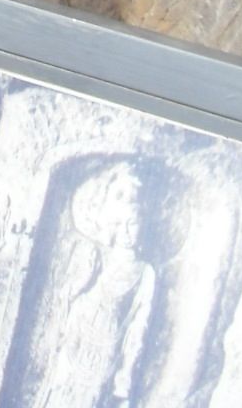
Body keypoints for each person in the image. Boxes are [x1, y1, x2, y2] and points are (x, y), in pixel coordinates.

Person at [24, 164, 157, 408]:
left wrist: (125, 374)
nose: (126, 232)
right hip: (78, 333)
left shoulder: (145, 272)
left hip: (108, 348)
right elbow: (70, 296)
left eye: (133, 224)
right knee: (61, 391)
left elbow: (139, 326)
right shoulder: (96, 254)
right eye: (119, 224)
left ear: (144, 223)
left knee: (92, 398)